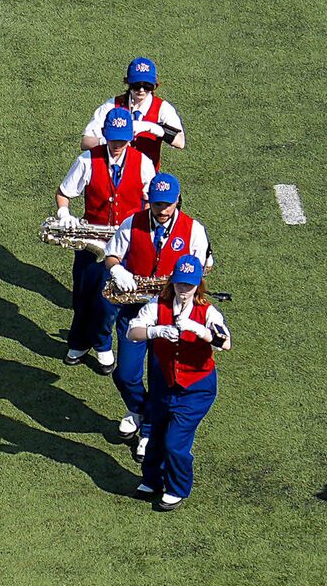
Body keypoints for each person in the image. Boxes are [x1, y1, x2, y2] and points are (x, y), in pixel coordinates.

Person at [106, 173, 210, 451]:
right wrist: (118, 270)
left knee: (161, 377)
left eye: (167, 204)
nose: (162, 211)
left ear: (177, 200)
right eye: (156, 204)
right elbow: (111, 255)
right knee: (125, 373)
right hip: (135, 305)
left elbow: (204, 266)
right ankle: (139, 409)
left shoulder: (194, 230)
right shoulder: (132, 223)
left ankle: (150, 431)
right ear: (148, 201)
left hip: (171, 310)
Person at [56, 108, 157, 367]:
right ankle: (78, 342)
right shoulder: (87, 160)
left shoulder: (143, 163)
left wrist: (142, 227)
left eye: (122, 140)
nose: (117, 146)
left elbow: (150, 201)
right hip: (91, 240)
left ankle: (101, 343)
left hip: (124, 243)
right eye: (113, 139)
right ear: (104, 135)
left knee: (108, 300)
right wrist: (64, 212)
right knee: (83, 296)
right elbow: (64, 192)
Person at [130, 254, 228, 511]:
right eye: (180, 284)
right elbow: (133, 332)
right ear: (172, 281)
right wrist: (155, 331)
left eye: (190, 285)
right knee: (157, 434)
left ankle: (177, 488)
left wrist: (200, 330)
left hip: (196, 389)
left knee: (175, 442)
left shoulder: (207, 311)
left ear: (198, 285)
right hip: (166, 383)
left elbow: (225, 342)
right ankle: (152, 480)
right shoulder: (157, 305)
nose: (184, 290)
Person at [81, 56, 185, 171]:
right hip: (111, 174)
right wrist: (113, 139)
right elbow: (86, 142)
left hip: (146, 178)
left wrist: (151, 127)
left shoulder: (163, 108)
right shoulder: (111, 105)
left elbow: (180, 142)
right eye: (136, 85)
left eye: (147, 86)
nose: (141, 90)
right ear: (129, 83)